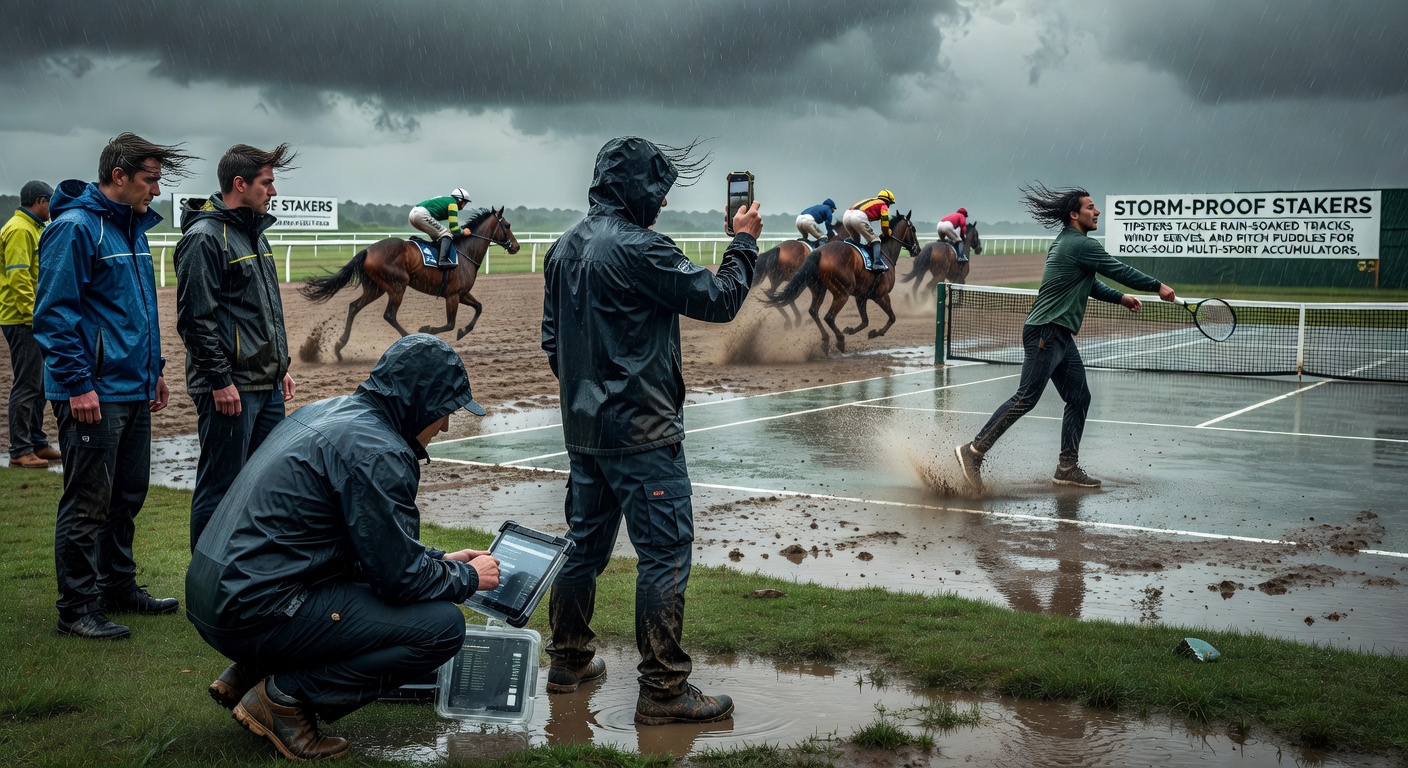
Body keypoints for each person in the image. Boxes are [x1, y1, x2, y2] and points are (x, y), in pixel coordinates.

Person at [186, 334, 501, 761]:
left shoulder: (328, 410)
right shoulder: (380, 451)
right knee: (441, 626)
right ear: (422, 402)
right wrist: (466, 578)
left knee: (380, 591)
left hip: (214, 594)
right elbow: (399, 582)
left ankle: (251, 672)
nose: (445, 425)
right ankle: (284, 699)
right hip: (251, 611)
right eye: (445, 411)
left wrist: (436, 560)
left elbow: (362, 547)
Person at [540, 136, 762, 725]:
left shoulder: (562, 250)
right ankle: (663, 690)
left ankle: (567, 661)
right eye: (656, 193)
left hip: (584, 434)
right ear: (638, 189)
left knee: (582, 549)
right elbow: (719, 299)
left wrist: (591, 390)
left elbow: (552, 343)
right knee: (663, 555)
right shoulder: (643, 248)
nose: (661, 205)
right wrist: (743, 242)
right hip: (643, 435)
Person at [34, 133, 197, 640]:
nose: (156, 190)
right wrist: (78, 384)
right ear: (119, 176)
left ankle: (117, 587)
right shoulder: (75, 228)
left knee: (127, 494)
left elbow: (139, 312)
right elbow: (55, 315)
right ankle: (77, 607)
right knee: (88, 501)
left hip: (133, 387)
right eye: (150, 180)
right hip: (91, 394)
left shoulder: (134, 230)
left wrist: (156, 370)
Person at [954, 184, 1176, 491]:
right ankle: (974, 451)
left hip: (1059, 334)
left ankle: (1067, 467)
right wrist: (1157, 286)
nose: (1096, 212)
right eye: (1090, 208)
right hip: (1046, 331)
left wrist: (1121, 298)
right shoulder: (1081, 245)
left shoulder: (1068, 243)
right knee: (1027, 397)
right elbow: (1119, 269)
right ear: (1074, 215)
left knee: (1079, 396)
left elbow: (1091, 284)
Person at [175, 143, 298, 551]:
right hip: (231, 390)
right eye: (267, 183)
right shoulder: (205, 237)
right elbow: (196, 320)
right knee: (221, 489)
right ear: (240, 184)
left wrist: (278, 366)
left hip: (264, 384)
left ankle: (250, 576)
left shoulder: (254, 236)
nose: (273, 192)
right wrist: (219, 380)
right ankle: (206, 581)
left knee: (264, 486)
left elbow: (258, 313)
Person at [0, 180, 58, 469]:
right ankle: (19, 449)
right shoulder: (20, 230)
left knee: (40, 386)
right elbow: (19, 278)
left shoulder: (33, 228)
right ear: (40, 201)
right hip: (23, 320)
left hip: (32, 318)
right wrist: (34, 317)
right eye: (51, 202)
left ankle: (36, 441)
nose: (53, 207)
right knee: (26, 386)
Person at [408, 188, 471, 268]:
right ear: (460, 200)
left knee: (438, 235)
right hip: (422, 214)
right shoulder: (453, 204)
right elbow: (454, 228)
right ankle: (442, 261)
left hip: (413, 214)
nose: (464, 206)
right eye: (464, 203)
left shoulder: (447, 200)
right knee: (446, 233)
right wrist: (463, 232)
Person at [842, 189, 895, 272]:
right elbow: (885, 222)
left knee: (855, 240)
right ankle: (877, 263)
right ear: (887, 201)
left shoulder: (870, 200)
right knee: (875, 240)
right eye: (890, 203)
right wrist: (886, 233)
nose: (889, 206)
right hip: (858, 217)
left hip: (846, 215)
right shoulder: (883, 205)